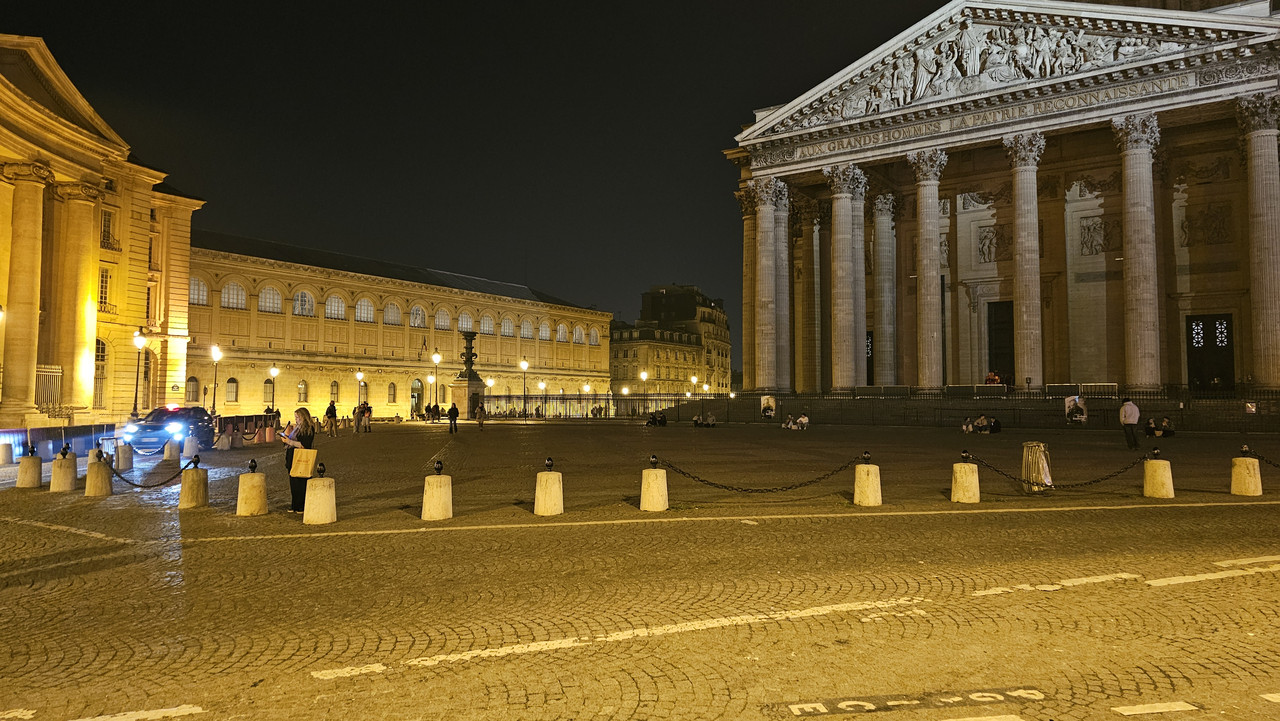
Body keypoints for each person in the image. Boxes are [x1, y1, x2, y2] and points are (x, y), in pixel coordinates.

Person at [281, 407, 317, 513]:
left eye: (297, 417)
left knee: (301, 482)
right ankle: (294, 504)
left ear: (303, 416)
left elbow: (304, 444)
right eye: (295, 417)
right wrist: (286, 438)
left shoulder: (309, 428)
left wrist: (289, 442)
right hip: (292, 456)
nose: (296, 419)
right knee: (293, 481)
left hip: (301, 457)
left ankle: (301, 505)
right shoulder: (297, 428)